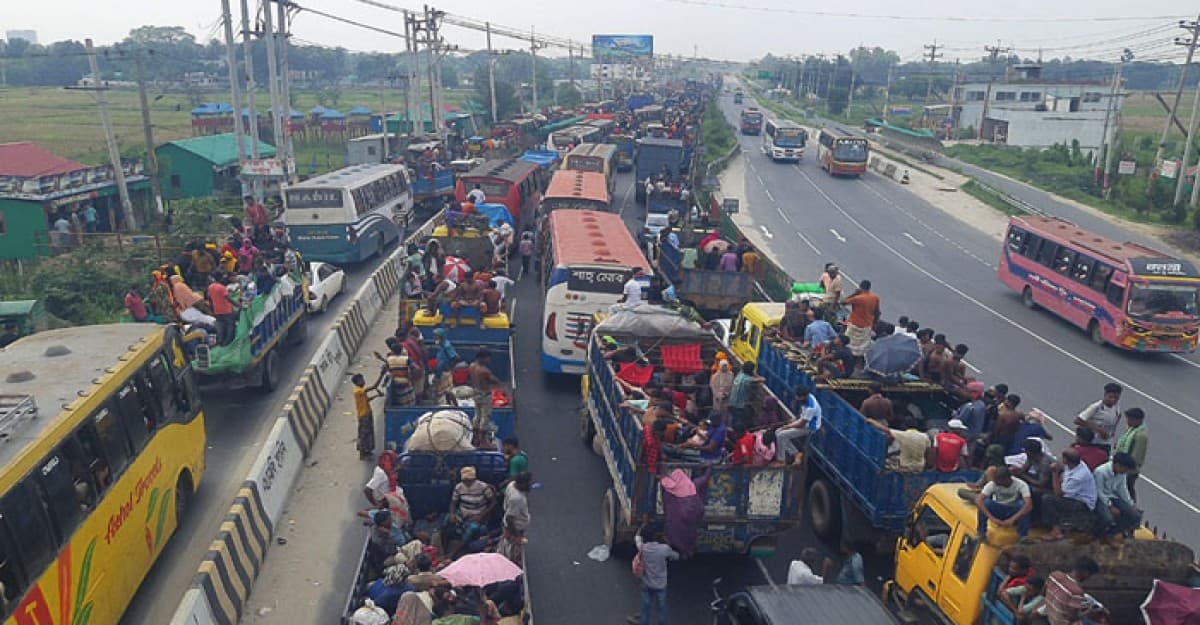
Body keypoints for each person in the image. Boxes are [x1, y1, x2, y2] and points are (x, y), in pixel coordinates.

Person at [1041, 449, 1097, 541]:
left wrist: (1054, 473)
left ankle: (1056, 531)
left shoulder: (1078, 477)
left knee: (1048, 499)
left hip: (1082, 503)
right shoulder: (1075, 464)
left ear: (1066, 460)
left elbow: (1058, 493)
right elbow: (1061, 466)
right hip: (1073, 495)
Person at [659, 467, 710, 558]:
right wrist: (709, 468)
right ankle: (688, 551)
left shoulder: (670, 491)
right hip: (695, 514)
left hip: (678, 517)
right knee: (691, 533)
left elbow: (664, 480)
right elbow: (705, 478)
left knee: (674, 531)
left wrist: (660, 469)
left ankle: (678, 550)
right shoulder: (693, 485)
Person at [634, 524, 679, 625]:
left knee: (646, 606)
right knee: (662, 607)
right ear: (655, 536)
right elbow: (676, 556)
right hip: (660, 584)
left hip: (646, 583)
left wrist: (640, 528)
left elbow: (637, 538)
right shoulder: (664, 549)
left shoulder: (643, 548)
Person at [975, 467, 1034, 540]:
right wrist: (992, 518)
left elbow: (1028, 505)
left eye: (999, 482)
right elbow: (979, 500)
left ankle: (1023, 536)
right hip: (998, 508)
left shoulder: (1021, 485)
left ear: (1006, 479)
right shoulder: (992, 484)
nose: (997, 484)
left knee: (1022, 505)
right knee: (986, 503)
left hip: (1013, 509)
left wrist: (1013, 519)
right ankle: (981, 532)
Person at [1093, 452, 1141, 540]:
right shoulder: (1100, 472)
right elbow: (1099, 491)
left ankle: (1112, 534)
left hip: (1112, 496)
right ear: (1117, 465)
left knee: (1135, 516)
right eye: (1125, 469)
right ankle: (1097, 536)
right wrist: (1110, 506)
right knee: (1108, 518)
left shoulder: (1121, 474)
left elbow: (1122, 490)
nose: (1125, 472)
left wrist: (1131, 504)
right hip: (1100, 498)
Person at [450, 466, 497, 552]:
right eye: (464, 480)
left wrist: (481, 515)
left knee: (472, 528)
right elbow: (453, 503)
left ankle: (454, 553)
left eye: (469, 480)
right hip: (463, 512)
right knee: (447, 522)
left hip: (478, 514)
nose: (466, 482)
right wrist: (452, 514)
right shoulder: (458, 487)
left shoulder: (483, 487)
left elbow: (493, 502)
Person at [1041, 557, 1100, 625]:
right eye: (1090, 575)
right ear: (1085, 572)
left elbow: (1043, 593)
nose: (1088, 578)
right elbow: (1073, 618)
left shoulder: (1054, 575)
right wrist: (1089, 612)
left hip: (1050, 617)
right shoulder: (1076, 592)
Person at [776, 386, 822, 465]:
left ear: (804, 396)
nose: (797, 398)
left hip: (809, 427)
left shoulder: (811, 407)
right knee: (777, 432)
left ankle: (781, 460)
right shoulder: (807, 398)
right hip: (804, 421)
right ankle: (796, 454)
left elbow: (801, 424)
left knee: (781, 435)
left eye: (799, 397)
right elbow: (802, 413)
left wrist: (787, 426)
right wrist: (795, 419)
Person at [1075, 383, 1122, 452]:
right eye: (1110, 397)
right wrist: (1098, 429)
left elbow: (1118, 415)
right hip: (1092, 443)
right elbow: (1078, 420)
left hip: (1106, 443)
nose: (1113, 400)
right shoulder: (1096, 407)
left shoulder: (1116, 406)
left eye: (1116, 398)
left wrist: (1113, 430)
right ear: (1105, 395)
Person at [469, 348, 502, 444]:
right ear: (482, 358)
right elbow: (495, 381)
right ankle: (483, 441)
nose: (489, 360)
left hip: (475, 392)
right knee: (485, 417)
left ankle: (474, 437)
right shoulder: (484, 371)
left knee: (477, 415)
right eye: (487, 358)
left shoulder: (471, 366)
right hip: (484, 395)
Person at [1114, 408, 1148, 501]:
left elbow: (1137, 455)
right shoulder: (1131, 430)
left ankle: (1133, 508)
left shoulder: (1140, 435)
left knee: (1127, 488)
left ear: (1138, 420)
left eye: (1131, 419)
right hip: (1123, 465)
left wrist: (1127, 468)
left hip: (1128, 469)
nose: (1128, 421)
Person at [843, 280, 880, 361]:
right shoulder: (875, 298)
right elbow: (877, 312)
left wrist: (854, 293)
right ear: (869, 288)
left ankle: (847, 359)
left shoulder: (857, 298)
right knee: (862, 347)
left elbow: (842, 302)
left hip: (854, 325)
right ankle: (858, 362)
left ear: (860, 287)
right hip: (867, 326)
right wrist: (874, 324)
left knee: (848, 344)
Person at [352, 373, 383, 460]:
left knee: (369, 432)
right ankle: (362, 453)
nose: (363, 381)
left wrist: (377, 395)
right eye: (361, 380)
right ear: (356, 382)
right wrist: (381, 374)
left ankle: (367, 450)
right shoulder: (357, 391)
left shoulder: (360, 390)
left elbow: (367, 400)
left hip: (367, 413)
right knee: (363, 434)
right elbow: (374, 386)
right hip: (363, 415)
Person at [726, 362, 763, 429]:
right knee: (738, 423)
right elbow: (762, 379)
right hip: (738, 405)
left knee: (733, 420)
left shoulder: (740, 375)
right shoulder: (747, 379)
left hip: (731, 402)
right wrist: (754, 374)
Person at [207, 274, 236, 345]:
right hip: (226, 310)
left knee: (220, 327)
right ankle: (228, 342)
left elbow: (210, 299)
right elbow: (228, 298)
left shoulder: (210, 287)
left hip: (217, 311)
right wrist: (238, 305)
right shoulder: (222, 287)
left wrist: (212, 309)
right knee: (230, 326)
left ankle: (220, 341)